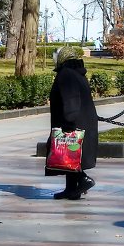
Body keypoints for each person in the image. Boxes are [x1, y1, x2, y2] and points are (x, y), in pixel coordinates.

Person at [47, 45, 98, 200]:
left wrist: (68, 123)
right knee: (70, 157)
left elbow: (71, 99)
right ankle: (71, 189)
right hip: (82, 122)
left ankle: (83, 180)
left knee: (68, 154)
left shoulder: (66, 74)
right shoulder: (76, 73)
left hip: (73, 122)